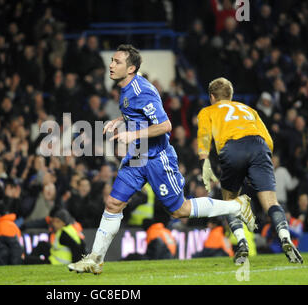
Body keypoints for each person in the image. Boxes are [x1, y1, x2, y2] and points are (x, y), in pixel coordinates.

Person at [68, 45, 255, 275]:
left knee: (180, 210)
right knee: (113, 204)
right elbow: (138, 113)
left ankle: (237, 205)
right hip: (137, 156)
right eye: (112, 60)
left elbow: (165, 125)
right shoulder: (126, 88)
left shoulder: (141, 90)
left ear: (131, 68)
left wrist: (132, 134)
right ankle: (95, 259)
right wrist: (120, 120)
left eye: (117, 62)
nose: (111, 65)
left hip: (157, 158)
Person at [196, 77, 303, 264]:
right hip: (259, 147)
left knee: (229, 201)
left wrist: (204, 161)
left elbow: (204, 139)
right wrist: (259, 164)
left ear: (212, 97)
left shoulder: (208, 111)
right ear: (231, 96)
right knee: (271, 202)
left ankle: (242, 243)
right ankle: (285, 236)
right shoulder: (248, 109)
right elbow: (268, 140)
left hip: (232, 147)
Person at [0, 200, 24, 266]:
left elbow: (13, 247)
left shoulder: (3, 226)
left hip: (7, 261)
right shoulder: (8, 224)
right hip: (14, 259)